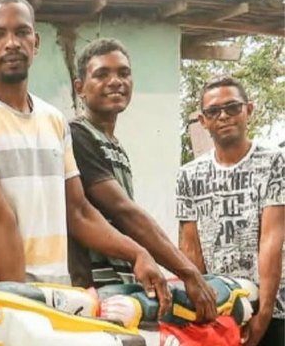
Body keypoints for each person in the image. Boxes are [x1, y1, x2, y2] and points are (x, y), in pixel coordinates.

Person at [0, 0, 170, 314]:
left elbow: (78, 212)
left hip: (57, 295)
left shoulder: (53, 120)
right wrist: (21, 311)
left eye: (21, 32)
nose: (12, 43)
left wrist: (138, 253)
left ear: (36, 42)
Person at [68, 38, 217, 322]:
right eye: (101, 74)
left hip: (121, 282)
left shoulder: (112, 143)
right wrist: (187, 271)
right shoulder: (78, 136)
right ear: (80, 88)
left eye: (123, 73)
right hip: (93, 288)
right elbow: (124, 212)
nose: (115, 81)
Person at [176, 76, 284, 346]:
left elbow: (272, 240)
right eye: (213, 111)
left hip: (275, 308)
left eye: (232, 108)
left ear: (248, 110)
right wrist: (197, 309)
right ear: (203, 121)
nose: (223, 116)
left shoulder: (274, 162)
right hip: (222, 309)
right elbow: (191, 249)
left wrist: (265, 314)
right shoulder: (188, 176)